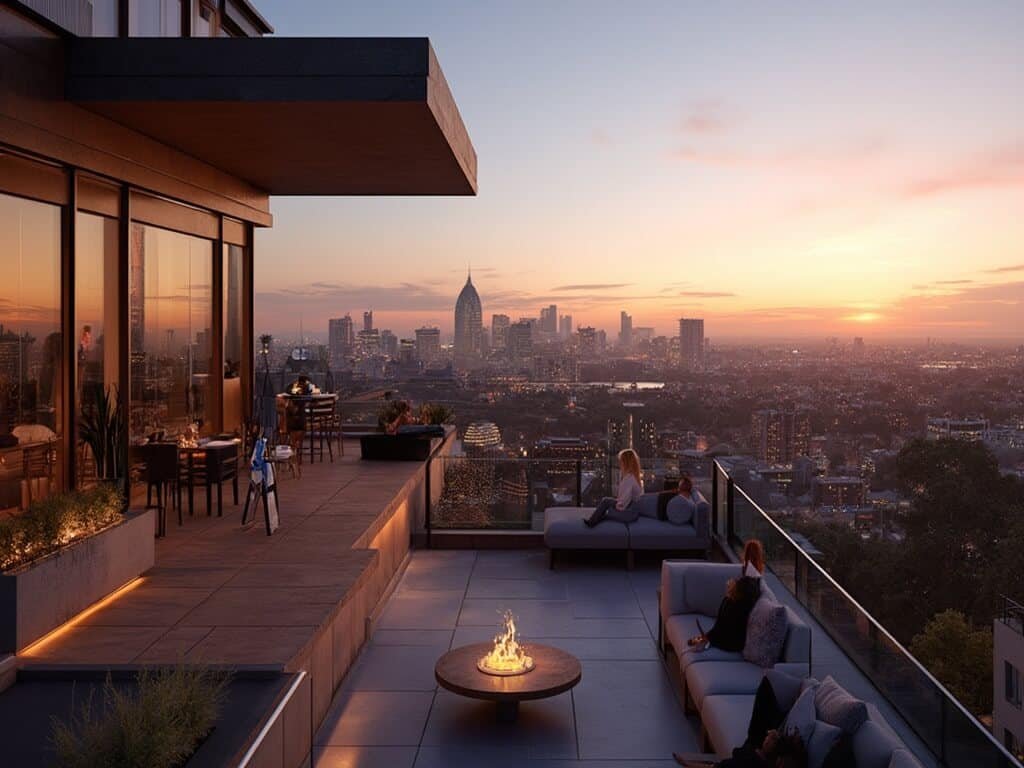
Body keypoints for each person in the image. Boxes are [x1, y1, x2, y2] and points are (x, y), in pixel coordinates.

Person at [688, 539, 766, 652]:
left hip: (732, 640)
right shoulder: (755, 582)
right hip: (736, 636)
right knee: (729, 600)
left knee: (728, 600)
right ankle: (707, 638)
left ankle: (707, 639)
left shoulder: (747, 583)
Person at [674, 729, 806, 768]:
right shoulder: (761, 760)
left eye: (770, 739)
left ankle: (686, 763)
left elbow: (735, 752)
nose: (766, 737)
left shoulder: (750, 755)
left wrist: (687, 763)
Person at [584, 448, 643, 527]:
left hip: (629, 514)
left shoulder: (629, 478)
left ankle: (592, 522)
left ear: (625, 463)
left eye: (621, 461)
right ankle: (595, 520)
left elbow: (624, 502)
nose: (620, 464)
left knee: (606, 508)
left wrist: (615, 508)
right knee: (606, 502)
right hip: (633, 511)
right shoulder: (634, 476)